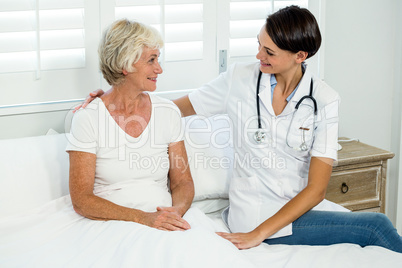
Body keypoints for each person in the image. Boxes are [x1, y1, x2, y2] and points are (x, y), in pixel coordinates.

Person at [78, 6, 402, 253]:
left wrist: (261, 234)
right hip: (251, 213)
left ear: (300, 56)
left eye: (269, 53)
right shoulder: (239, 79)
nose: (258, 56)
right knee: (376, 226)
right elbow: (172, 110)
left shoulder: (325, 101)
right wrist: (113, 97)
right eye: (259, 45)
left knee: (377, 224)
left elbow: (317, 189)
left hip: (292, 213)